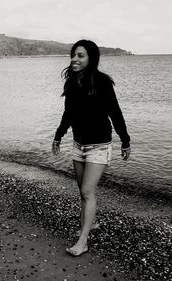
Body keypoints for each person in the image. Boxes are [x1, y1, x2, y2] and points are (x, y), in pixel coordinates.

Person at [52, 39, 131, 256]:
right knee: (84, 192)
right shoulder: (71, 83)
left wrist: (125, 140)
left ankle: (83, 241)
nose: (74, 59)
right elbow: (68, 114)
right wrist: (59, 136)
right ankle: (91, 223)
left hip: (99, 146)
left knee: (87, 191)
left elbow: (115, 112)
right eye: (73, 55)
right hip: (79, 145)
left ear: (91, 58)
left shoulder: (102, 82)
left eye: (80, 55)